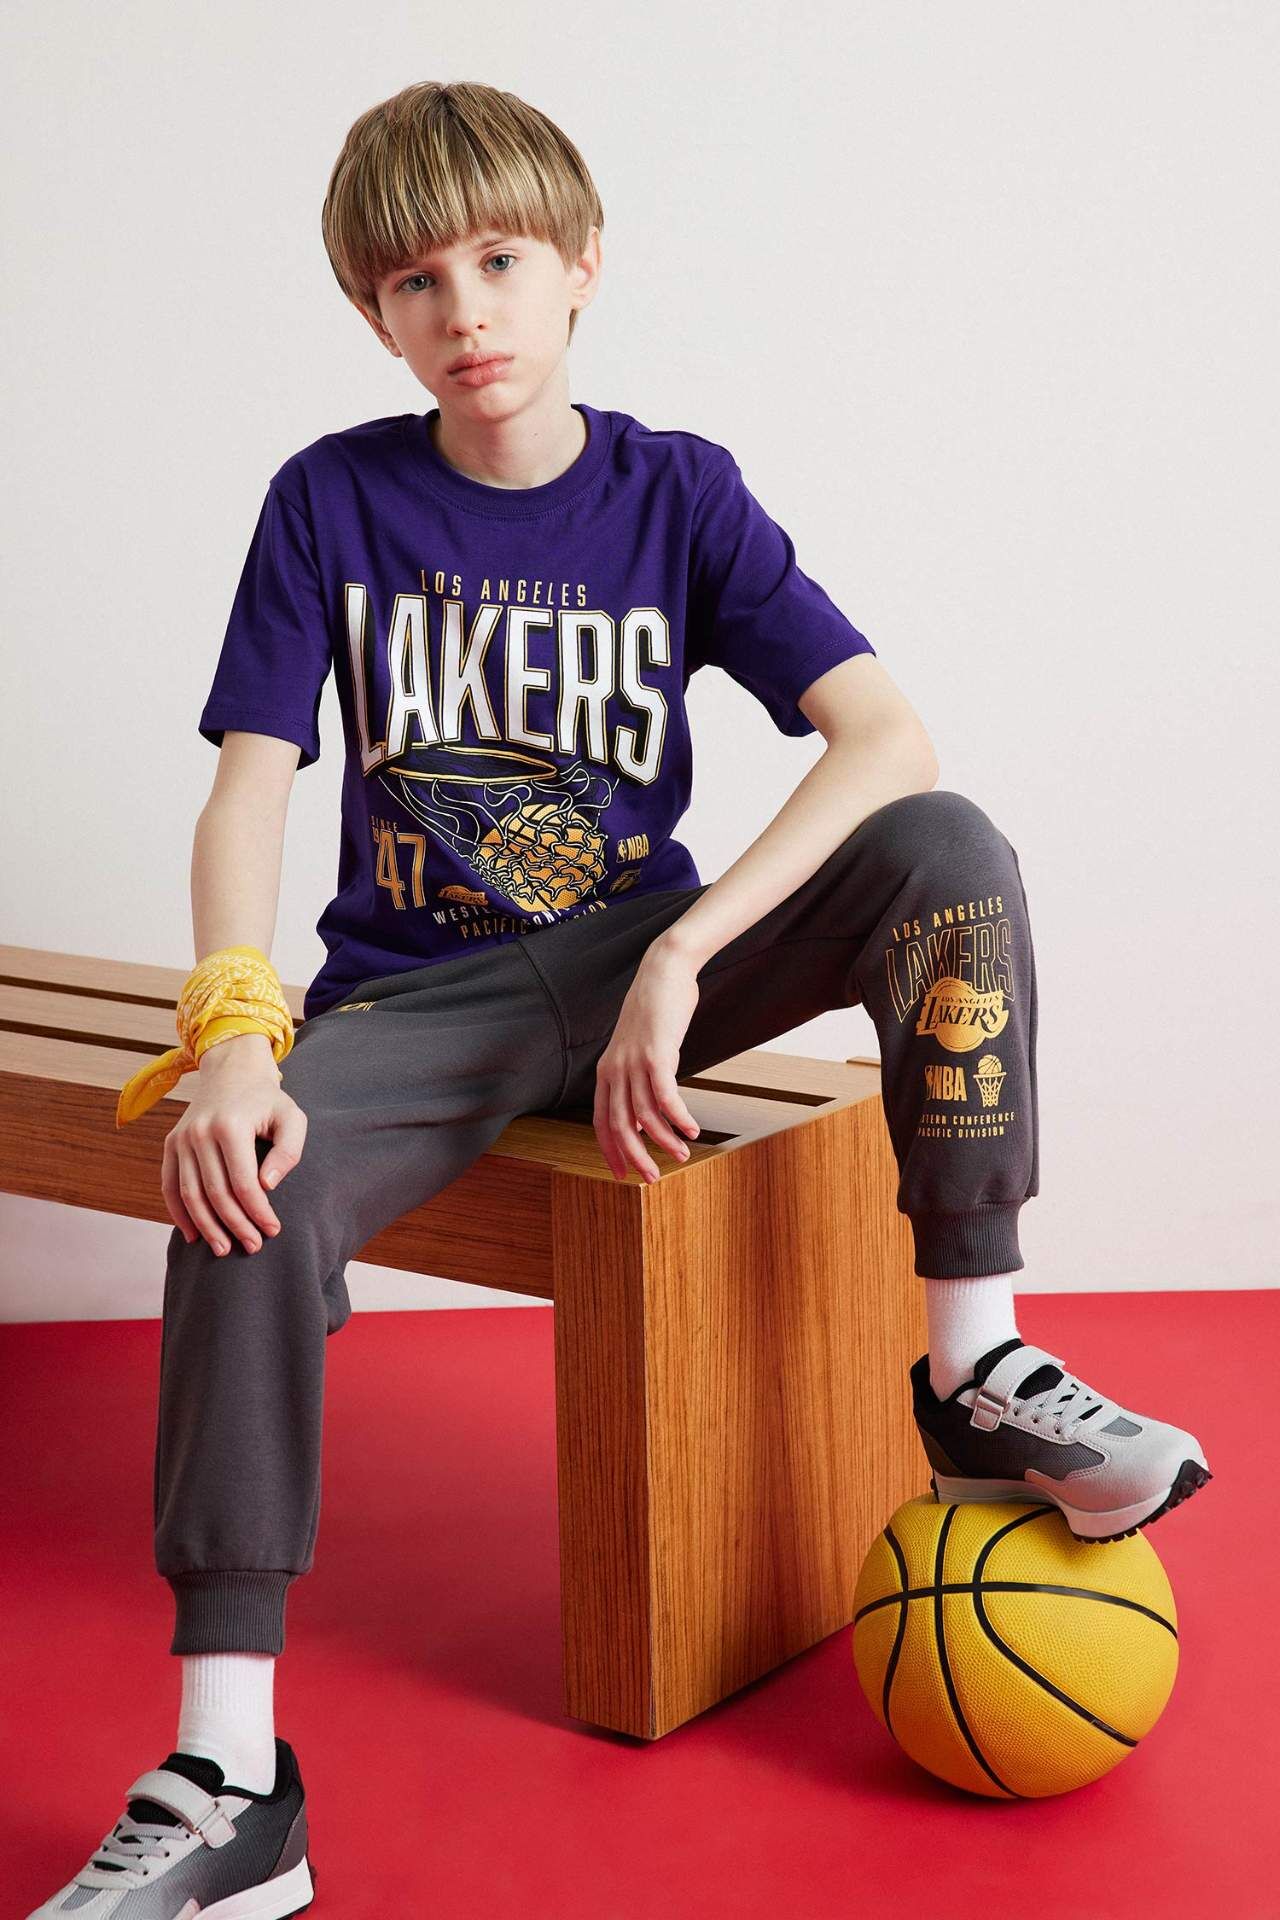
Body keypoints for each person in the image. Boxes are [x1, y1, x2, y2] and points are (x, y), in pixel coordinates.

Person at [30, 78, 1212, 1920]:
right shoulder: (331, 499)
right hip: (418, 1005)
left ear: (583, 263)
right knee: (242, 1184)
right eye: (417, 282)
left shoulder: (678, 492)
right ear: (373, 313)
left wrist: (682, 950)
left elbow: (882, 735)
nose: (467, 311)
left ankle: (978, 1366)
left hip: (643, 962)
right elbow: (251, 782)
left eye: (503, 260)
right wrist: (239, 1034)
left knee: (947, 845)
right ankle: (232, 1781)